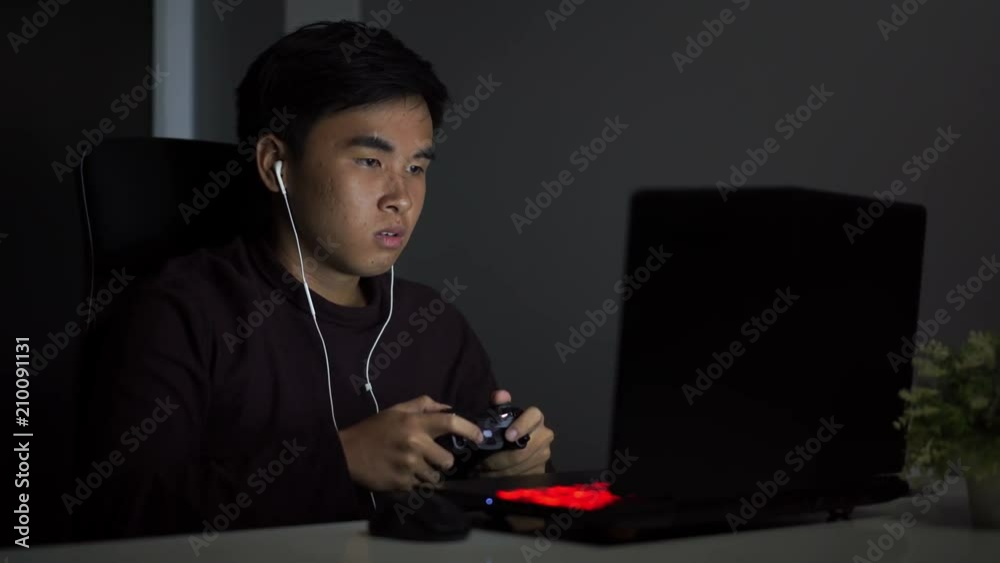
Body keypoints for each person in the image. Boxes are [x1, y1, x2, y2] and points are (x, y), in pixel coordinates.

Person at [75, 20, 554, 540]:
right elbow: (121, 515)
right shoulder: (182, 313)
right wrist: (340, 459)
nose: (401, 197)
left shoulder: (433, 323)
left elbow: (485, 520)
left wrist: (514, 477)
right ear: (276, 164)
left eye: (416, 167)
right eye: (371, 160)